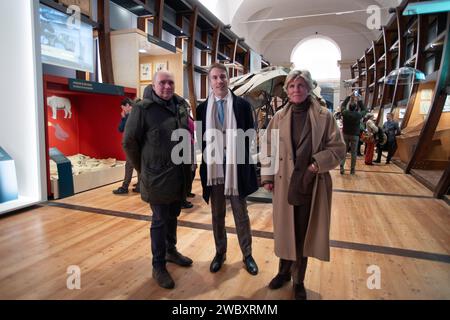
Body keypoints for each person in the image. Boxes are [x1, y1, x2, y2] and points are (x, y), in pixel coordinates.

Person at [260, 69, 346, 300]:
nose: (296, 90)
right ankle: (283, 273)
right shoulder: (279, 117)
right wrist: (267, 177)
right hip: (284, 185)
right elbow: (268, 147)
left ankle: (299, 280)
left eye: (300, 85)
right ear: (286, 90)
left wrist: (315, 165)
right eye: (291, 86)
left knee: (302, 234)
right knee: (286, 231)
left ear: (308, 88)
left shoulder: (324, 116)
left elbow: (338, 149)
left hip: (312, 185)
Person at [123, 70, 193, 289]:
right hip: (156, 177)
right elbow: (129, 142)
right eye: (162, 83)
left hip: (178, 175)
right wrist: (142, 169)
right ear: (153, 85)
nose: (167, 86)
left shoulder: (180, 106)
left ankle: (171, 251)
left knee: (173, 215)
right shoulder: (142, 109)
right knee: (160, 220)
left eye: (170, 82)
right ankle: (158, 265)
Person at [196, 62, 259, 275]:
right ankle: (220, 253)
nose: (219, 81)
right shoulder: (201, 109)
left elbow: (249, 136)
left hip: (236, 169)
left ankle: (247, 254)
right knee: (217, 214)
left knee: (241, 214)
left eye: (222, 76)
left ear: (228, 78)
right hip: (214, 169)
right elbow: (200, 140)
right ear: (209, 81)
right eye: (214, 77)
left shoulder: (242, 105)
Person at [113, 98, 141, 194]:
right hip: (138, 144)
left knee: (129, 165)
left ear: (128, 106)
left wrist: (123, 117)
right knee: (138, 165)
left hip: (132, 145)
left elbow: (121, 129)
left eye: (123, 108)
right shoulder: (138, 113)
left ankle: (125, 187)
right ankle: (140, 186)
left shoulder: (130, 116)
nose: (123, 110)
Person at [339, 95, 363, 175]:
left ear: (349, 107)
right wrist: (359, 101)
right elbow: (365, 110)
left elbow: (342, 106)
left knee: (344, 152)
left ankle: (342, 167)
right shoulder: (358, 115)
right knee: (354, 153)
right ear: (356, 108)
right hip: (355, 135)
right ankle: (352, 170)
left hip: (345, 134)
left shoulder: (345, 113)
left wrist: (348, 97)